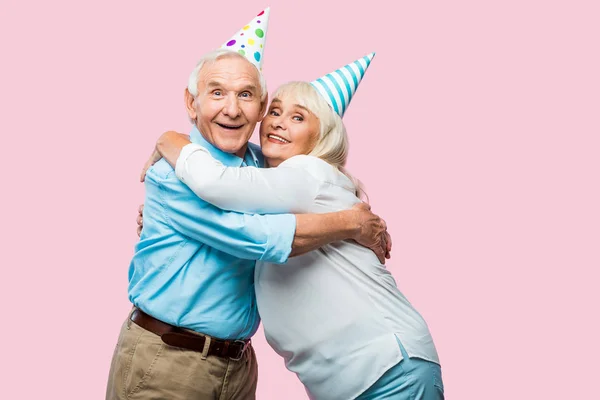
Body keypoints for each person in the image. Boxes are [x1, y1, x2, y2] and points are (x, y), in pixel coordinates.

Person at [106, 10, 390, 400]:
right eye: (217, 93)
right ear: (192, 103)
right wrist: (351, 224)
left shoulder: (265, 168)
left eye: (245, 95)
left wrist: (366, 221)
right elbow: (256, 237)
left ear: (260, 107)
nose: (232, 109)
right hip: (167, 360)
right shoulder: (175, 174)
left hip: (237, 367)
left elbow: (321, 186)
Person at [143, 54, 444, 399]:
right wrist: (159, 211)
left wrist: (170, 140)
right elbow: (235, 215)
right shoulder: (271, 185)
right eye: (275, 112)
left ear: (323, 135)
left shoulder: (307, 173)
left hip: (389, 369)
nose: (278, 123)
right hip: (359, 376)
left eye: (298, 117)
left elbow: (217, 186)